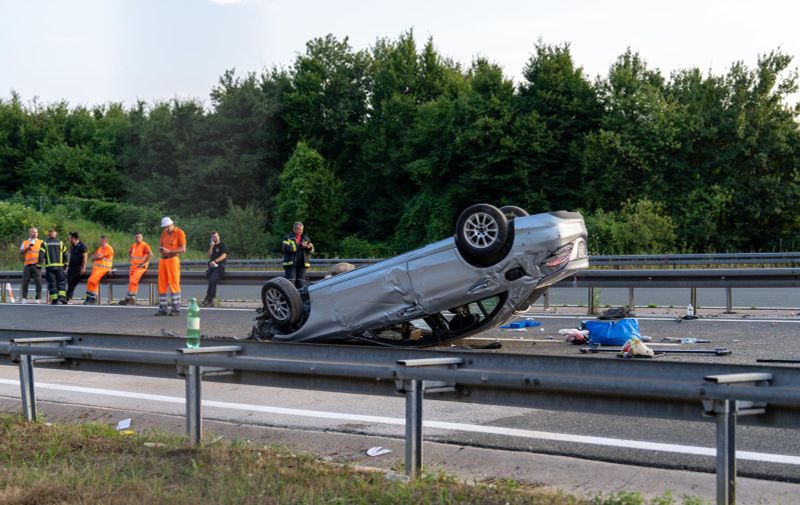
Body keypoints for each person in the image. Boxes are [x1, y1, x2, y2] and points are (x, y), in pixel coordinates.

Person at [156, 217, 186, 316]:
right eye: (164, 226)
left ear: (171, 224)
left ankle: (176, 309)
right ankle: (163, 308)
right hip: (163, 260)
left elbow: (183, 249)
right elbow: (161, 245)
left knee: (174, 283)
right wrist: (161, 250)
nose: (165, 228)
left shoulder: (180, 233)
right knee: (161, 284)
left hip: (173, 260)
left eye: (166, 226)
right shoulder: (164, 233)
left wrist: (170, 251)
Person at [119, 232, 153, 306]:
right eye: (136, 237)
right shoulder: (133, 245)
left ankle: (131, 298)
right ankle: (129, 298)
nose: (138, 238)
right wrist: (131, 259)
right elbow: (129, 252)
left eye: (139, 237)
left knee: (133, 280)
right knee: (132, 282)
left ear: (142, 237)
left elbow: (150, 254)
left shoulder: (144, 245)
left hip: (140, 267)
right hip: (133, 266)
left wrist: (144, 263)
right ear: (134, 238)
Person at [281, 221, 314, 289]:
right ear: (294, 229)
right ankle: (290, 299)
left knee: (301, 284)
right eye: (298, 229)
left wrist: (309, 248)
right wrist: (300, 246)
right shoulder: (287, 238)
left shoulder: (306, 238)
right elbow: (286, 248)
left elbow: (312, 251)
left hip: (302, 265)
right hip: (291, 265)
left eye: (301, 229)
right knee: (290, 285)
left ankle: (299, 299)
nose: (300, 231)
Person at [84, 236, 114, 305]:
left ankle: (93, 297)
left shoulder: (108, 248)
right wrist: (96, 256)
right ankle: (89, 297)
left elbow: (99, 256)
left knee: (93, 280)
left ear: (105, 241)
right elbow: (92, 257)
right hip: (96, 269)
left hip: (104, 268)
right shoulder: (100, 248)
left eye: (101, 240)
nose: (100, 242)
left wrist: (96, 256)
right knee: (89, 281)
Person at [41, 229, 69, 305]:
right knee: (61, 282)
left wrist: (39, 265)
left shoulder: (45, 243)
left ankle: (54, 300)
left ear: (48, 235)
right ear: (55, 234)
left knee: (52, 283)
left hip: (50, 267)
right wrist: (66, 264)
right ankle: (62, 296)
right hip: (60, 267)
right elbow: (66, 254)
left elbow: (41, 255)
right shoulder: (61, 243)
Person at [202, 231, 228, 307]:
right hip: (212, 268)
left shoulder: (222, 245)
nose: (215, 238)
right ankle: (208, 298)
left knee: (212, 280)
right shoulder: (212, 246)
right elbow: (209, 255)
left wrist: (215, 261)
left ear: (219, 236)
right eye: (213, 237)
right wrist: (211, 247)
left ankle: (210, 299)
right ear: (211, 238)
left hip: (219, 267)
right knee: (211, 281)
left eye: (216, 236)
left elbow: (223, 256)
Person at [18, 227, 44, 304]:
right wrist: (27, 248)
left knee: (38, 282)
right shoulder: (25, 242)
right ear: (30, 233)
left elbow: (44, 253)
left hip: (37, 265)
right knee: (25, 282)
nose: (35, 233)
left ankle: (38, 298)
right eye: (33, 232)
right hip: (28, 265)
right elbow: (20, 252)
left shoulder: (41, 242)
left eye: (36, 232)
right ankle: (24, 298)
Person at [65, 232, 88, 302]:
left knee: (72, 283)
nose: (68, 239)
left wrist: (83, 268)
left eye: (69, 238)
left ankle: (67, 298)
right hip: (71, 267)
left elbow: (85, 258)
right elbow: (69, 256)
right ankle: (68, 298)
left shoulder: (82, 245)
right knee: (69, 282)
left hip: (78, 268)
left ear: (73, 238)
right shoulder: (72, 246)